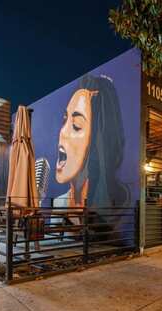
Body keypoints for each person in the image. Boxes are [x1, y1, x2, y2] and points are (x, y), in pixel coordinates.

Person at [54, 74, 129, 211]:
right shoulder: (58, 205)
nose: (62, 132)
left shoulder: (116, 212)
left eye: (76, 125)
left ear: (96, 141)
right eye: (64, 120)